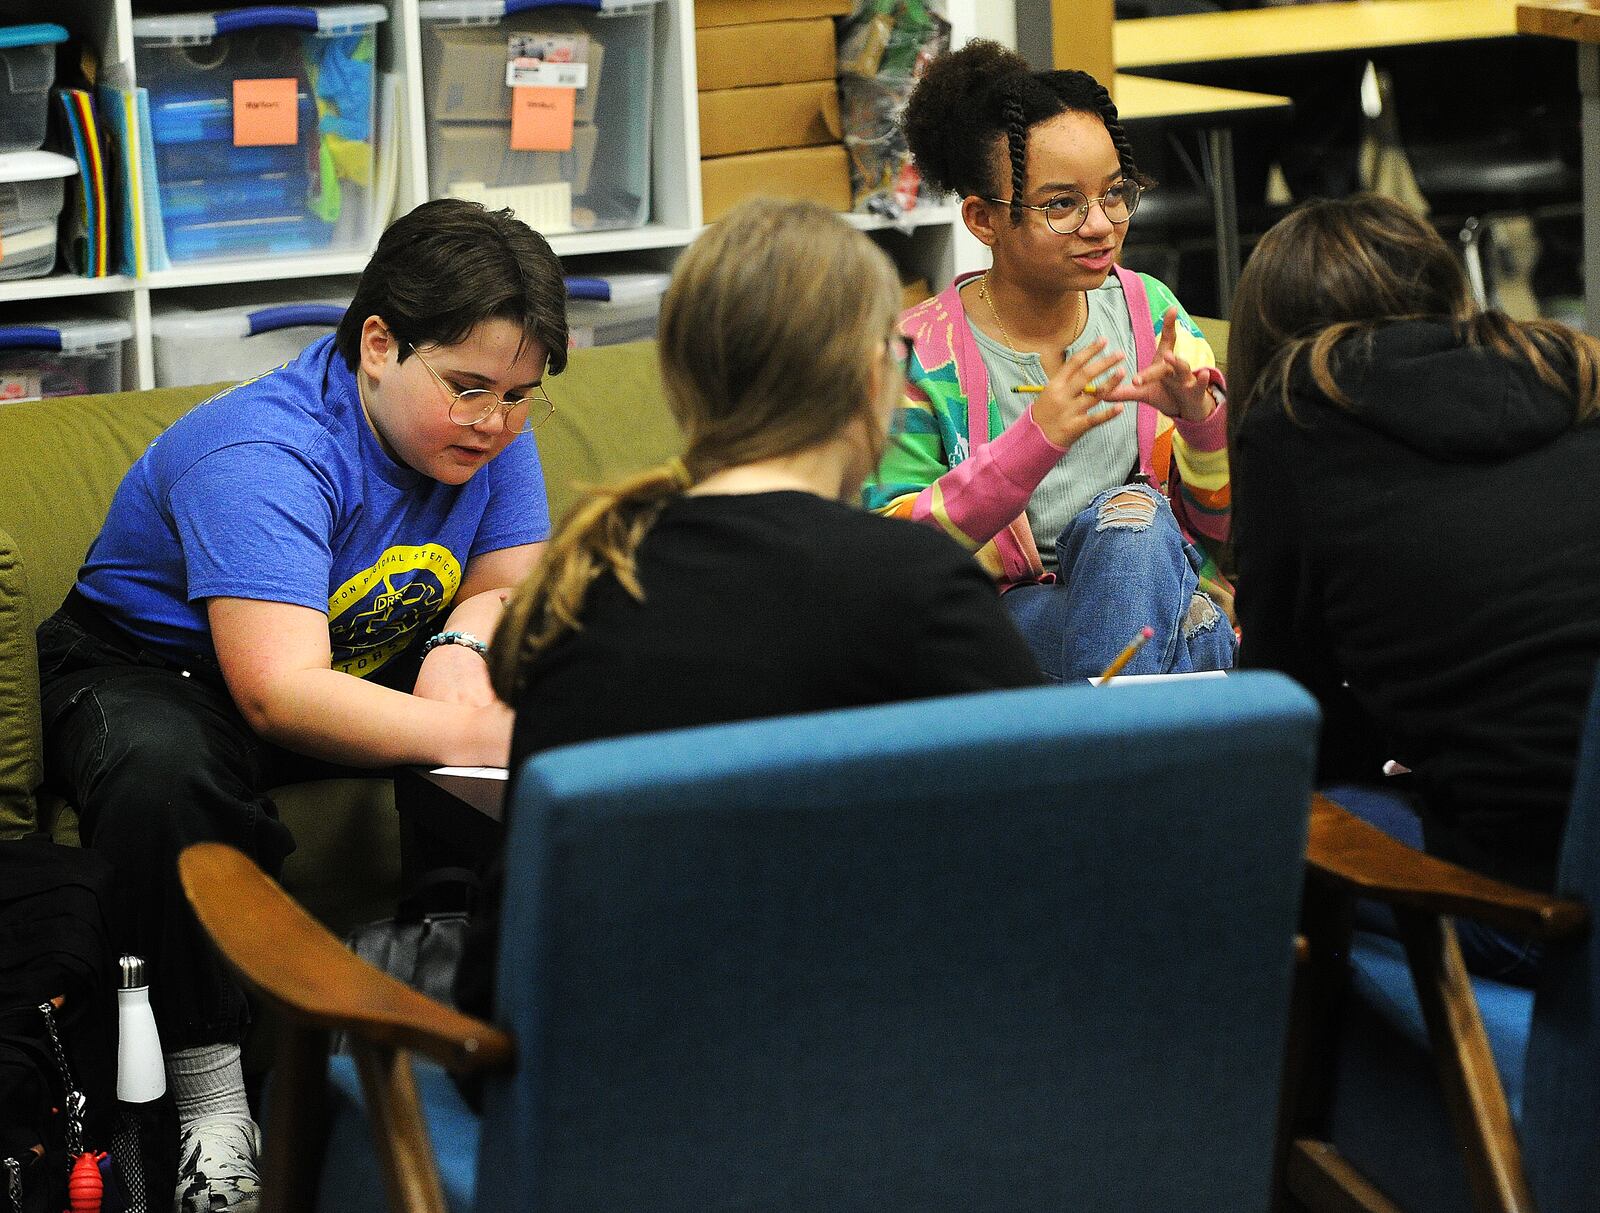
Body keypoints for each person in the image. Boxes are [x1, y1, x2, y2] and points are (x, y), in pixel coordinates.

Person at [35, 197, 567, 1211]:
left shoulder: (490, 431)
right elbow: (278, 693)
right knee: (163, 778)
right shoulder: (260, 453)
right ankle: (211, 1106)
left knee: (538, 691)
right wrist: (470, 719)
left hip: (350, 657)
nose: (495, 421)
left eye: (520, 395)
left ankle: (459, 999)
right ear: (378, 343)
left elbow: (512, 583)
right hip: (156, 672)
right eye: (469, 390)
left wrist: (461, 642)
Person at [455, 196, 1044, 1033]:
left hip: (590, 1104)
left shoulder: (583, 576)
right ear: (873, 374)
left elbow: (510, 960)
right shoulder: (914, 586)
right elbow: (1054, 843)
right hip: (839, 1096)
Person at [1228, 193, 1600, 980]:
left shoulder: (1291, 420)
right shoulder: (1570, 370)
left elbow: (1292, 721)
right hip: (1564, 838)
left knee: (1224, 823)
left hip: (1539, 901)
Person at [864, 40, 1236, 684]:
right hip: (1003, 622)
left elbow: (1224, 531)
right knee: (1197, 630)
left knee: (1138, 527)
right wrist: (1036, 439)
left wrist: (1201, 422)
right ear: (983, 219)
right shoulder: (918, 353)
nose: (1101, 225)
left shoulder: (1153, 314)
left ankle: (1094, 762)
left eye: (1115, 193)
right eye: (1061, 204)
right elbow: (894, 556)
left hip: (1149, 594)